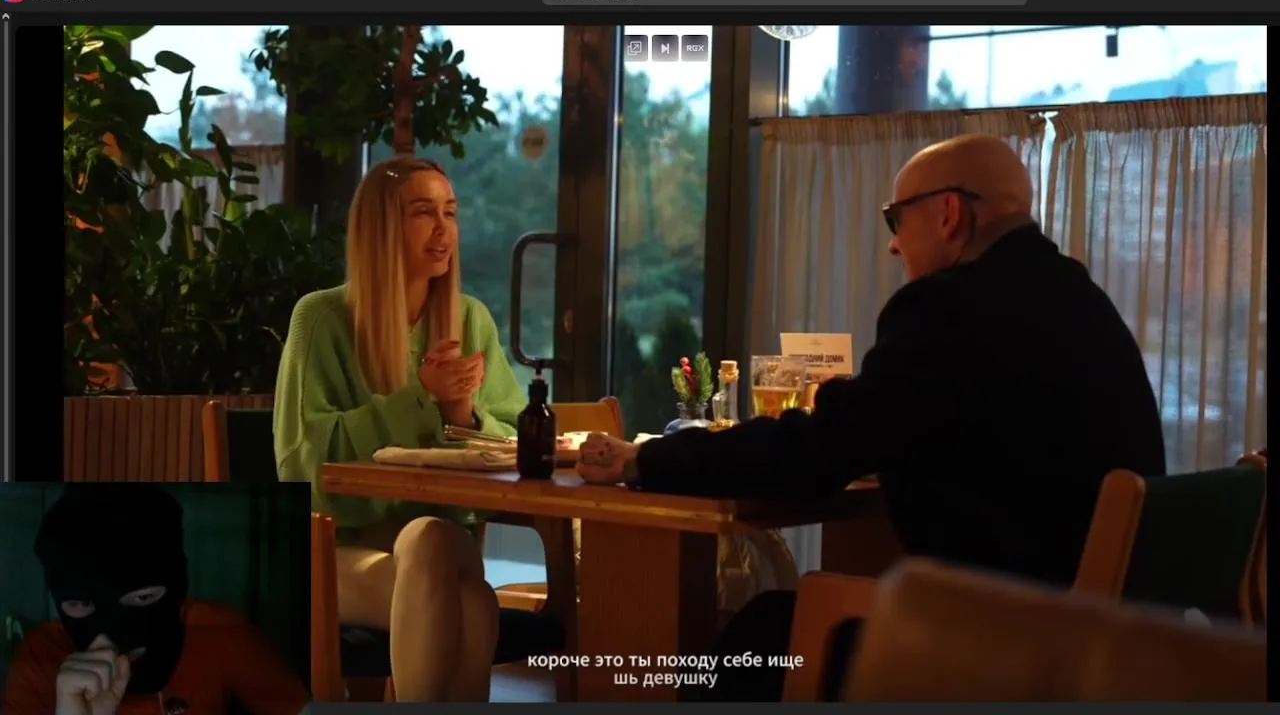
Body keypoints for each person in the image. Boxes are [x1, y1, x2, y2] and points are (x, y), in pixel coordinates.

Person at [576, 134, 1167, 700]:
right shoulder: (1083, 300)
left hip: (993, 644)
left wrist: (647, 458)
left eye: (895, 219)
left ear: (948, 215)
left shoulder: (949, 306)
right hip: (1098, 643)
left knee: (759, 638)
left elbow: (817, 453)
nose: (892, 245)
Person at [273, 156, 526, 701]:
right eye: (423, 212)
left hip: (441, 548)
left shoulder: (470, 319)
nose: (443, 228)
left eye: (450, 212)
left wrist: (462, 415)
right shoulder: (320, 318)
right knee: (468, 594)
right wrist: (418, 400)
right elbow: (301, 463)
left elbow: (514, 435)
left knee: (436, 544)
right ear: (382, 228)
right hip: (334, 550)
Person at [1, 484, 309, 715]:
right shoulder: (44, 654)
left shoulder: (217, 631)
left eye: (143, 597)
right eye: (81, 604)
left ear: (177, 585)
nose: (114, 631)